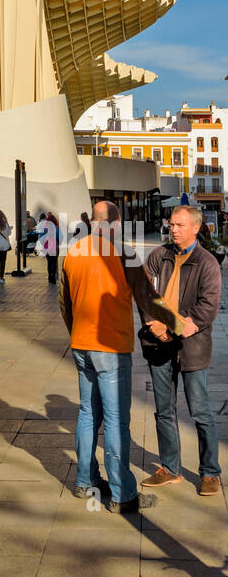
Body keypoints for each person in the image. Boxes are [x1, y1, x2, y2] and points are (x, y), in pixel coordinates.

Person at [59, 200, 184, 514]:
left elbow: (65, 302)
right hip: (111, 348)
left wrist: (76, 335)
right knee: (116, 422)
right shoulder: (123, 251)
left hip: (81, 346)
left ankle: (85, 482)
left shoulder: (73, 252)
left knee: (88, 414)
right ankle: (123, 493)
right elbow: (148, 299)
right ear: (115, 223)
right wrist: (178, 324)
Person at [140, 205, 222, 496]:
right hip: (157, 345)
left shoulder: (207, 263)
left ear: (196, 228)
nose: (172, 229)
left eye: (179, 225)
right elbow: (143, 290)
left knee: (201, 412)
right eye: (171, 224)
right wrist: (153, 323)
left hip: (192, 348)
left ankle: (210, 473)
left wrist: (171, 325)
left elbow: (207, 307)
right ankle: (170, 468)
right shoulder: (157, 256)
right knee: (164, 411)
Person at [38, 211, 60, 283]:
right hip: (54, 246)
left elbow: (41, 237)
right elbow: (59, 237)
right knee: (53, 262)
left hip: (47, 247)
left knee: (49, 262)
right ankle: (53, 277)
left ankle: (50, 277)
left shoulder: (45, 228)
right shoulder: (56, 228)